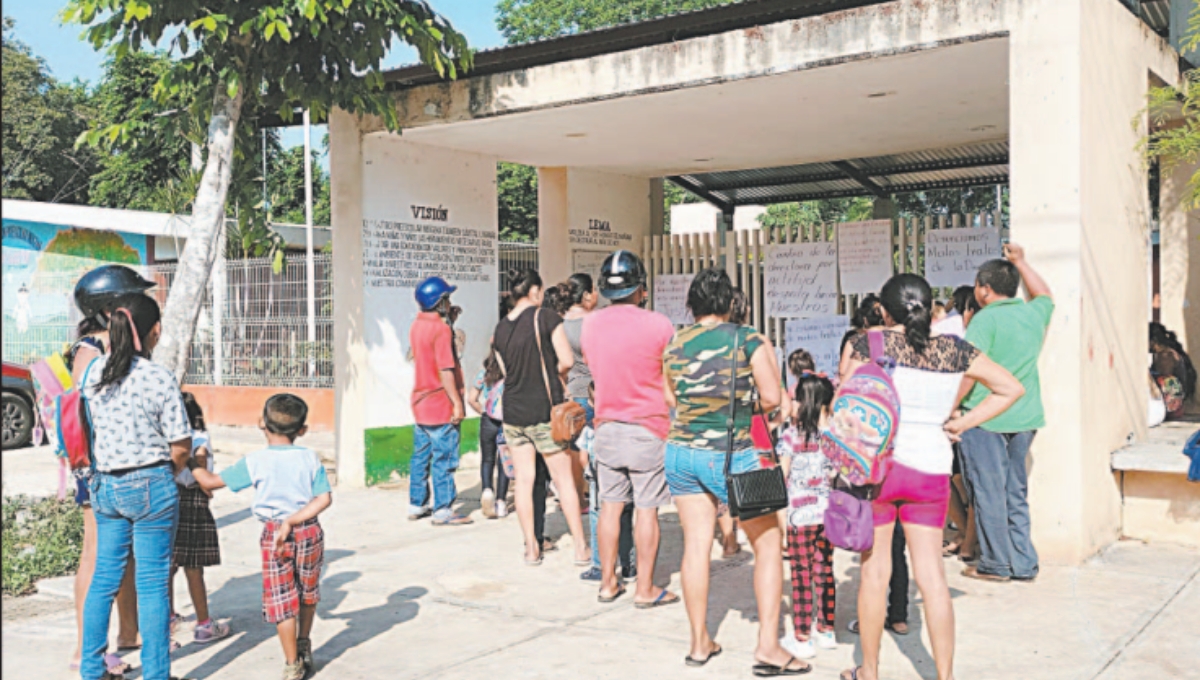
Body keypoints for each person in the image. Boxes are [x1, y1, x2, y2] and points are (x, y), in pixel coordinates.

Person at [839, 273, 1023, 680]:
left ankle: (868, 671)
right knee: (932, 577)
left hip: (880, 471)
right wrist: (964, 421)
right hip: (932, 471)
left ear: (884, 310)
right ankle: (945, 676)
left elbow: (844, 405)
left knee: (874, 571)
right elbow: (1011, 388)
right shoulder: (956, 351)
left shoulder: (865, 343)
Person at [663, 267, 800, 673]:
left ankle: (699, 642)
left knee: (695, 547)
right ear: (728, 302)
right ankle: (768, 648)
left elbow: (670, 396)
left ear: (693, 304)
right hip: (735, 452)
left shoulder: (674, 342)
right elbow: (773, 397)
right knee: (769, 544)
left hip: (681, 453)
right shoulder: (749, 339)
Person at [80, 293, 193, 680]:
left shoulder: (93, 373)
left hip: (105, 488)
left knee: (104, 579)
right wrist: (166, 474)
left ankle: (92, 670)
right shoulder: (158, 377)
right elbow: (181, 446)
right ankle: (157, 674)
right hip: (151, 484)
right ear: (155, 331)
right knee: (152, 585)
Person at [193, 394, 332, 680]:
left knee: (282, 599)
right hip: (308, 530)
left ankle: (292, 662)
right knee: (308, 591)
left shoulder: (254, 461)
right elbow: (323, 498)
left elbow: (209, 482)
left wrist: (192, 460)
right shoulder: (309, 457)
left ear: (261, 423)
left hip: (274, 535)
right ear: (302, 430)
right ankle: (304, 643)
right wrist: (294, 519)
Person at [581, 251, 678, 607]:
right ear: (641, 287)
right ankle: (645, 589)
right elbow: (669, 377)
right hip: (648, 428)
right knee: (647, 510)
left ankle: (608, 583)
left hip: (606, 427)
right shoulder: (660, 325)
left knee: (610, 507)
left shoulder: (591, 325)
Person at [68, 268, 148, 675]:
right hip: (98, 468)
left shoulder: (107, 345)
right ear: (109, 309)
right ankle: (87, 651)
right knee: (96, 556)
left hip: (118, 463)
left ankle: (128, 632)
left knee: (123, 552)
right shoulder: (89, 350)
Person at [959, 244, 1053, 582]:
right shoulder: (1031, 314)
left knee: (987, 491)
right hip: (1025, 416)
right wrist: (1021, 262)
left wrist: (953, 410)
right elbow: (1045, 294)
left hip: (985, 417)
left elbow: (968, 373)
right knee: (1015, 492)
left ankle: (996, 564)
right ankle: (1024, 562)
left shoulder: (984, 321)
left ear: (984, 288)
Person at [492, 269, 590, 566]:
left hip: (512, 412)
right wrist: (553, 374)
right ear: (535, 291)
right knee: (563, 481)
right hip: (543, 410)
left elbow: (507, 374)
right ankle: (581, 549)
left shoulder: (500, 328)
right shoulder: (545, 317)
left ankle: (532, 548)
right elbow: (567, 361)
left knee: (523, 480)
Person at [563, 273, 636, 582]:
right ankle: (629, 562)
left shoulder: (560, 325)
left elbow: (561, 364)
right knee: (625, 488)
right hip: (605, 397)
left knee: (594, 480)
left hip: (575, 394)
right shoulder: (598, 325)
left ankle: (598, 564)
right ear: (589, 295)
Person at [778, 372, 837, 660]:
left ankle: (802, 636)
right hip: (828, 513)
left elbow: (783, 476)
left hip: (799, 516)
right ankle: (826, 629)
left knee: (800, 573)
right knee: (824, 568)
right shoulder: (836, 435)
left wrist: (780, 520)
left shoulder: (791, 436)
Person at [408, 276, 471, 526]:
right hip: (439, 403)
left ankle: (417, 503)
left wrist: (449, 322)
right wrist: (457, 402)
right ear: (440, 302)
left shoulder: (417, 325)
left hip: (420, 403)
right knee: (444, 459)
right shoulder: (441, 330)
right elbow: (445, 369)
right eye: (447, 299)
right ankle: (443, 509)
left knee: (420, 457)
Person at [168, 393, 230, 646]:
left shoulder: (166, 439)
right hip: (193, 502)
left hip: (170, 500)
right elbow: (201, 459)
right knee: (193, 567)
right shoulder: (200, 437)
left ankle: (168, 617)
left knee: (168, 566)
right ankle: (204, 623)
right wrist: (207, 488)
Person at [467, 350, 509, 519]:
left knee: (487, 459)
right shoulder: (510, 375)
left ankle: (486, 490)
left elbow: (472, 399)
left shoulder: (483, 374)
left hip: (488, 420)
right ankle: (501, 502)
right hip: (506, 422)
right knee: (504, 462)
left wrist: (484, 411)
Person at [1150, 321, 1196, 419]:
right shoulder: (1165, 353)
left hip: (1171, 407)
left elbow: (1165, 382)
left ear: (1153, 341)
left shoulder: (1166, 356)